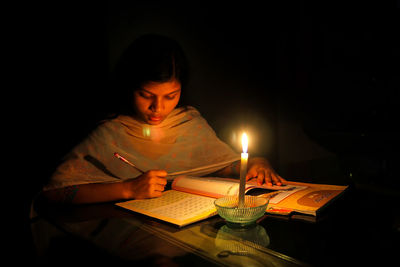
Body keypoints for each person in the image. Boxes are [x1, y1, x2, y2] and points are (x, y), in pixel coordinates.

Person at [42, 34, 286, 204]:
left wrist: (253, 162)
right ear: (129, 87)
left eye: (171, 96)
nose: (157, 108)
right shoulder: (110, 133)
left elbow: (218, 164)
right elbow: (54, 193)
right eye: (145, 95)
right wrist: (128, 188)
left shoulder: (189, 123)